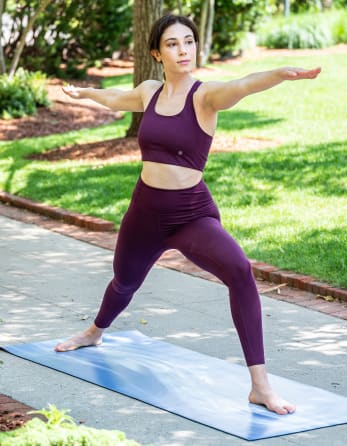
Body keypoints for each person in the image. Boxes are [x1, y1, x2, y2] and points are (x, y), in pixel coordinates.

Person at [54, 14, 321, 415]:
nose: (184, 50)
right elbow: (113, 98)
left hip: (190, 214)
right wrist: (84, 92)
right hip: (145, 211)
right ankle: (94, 332)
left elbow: (243, 85)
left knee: (239, 271)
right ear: (156, 54)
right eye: (173, 44)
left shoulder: (206, 96)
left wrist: (280, 73)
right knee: (125, 282)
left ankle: (260, 386)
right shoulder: (149, 92)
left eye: (189, 42)